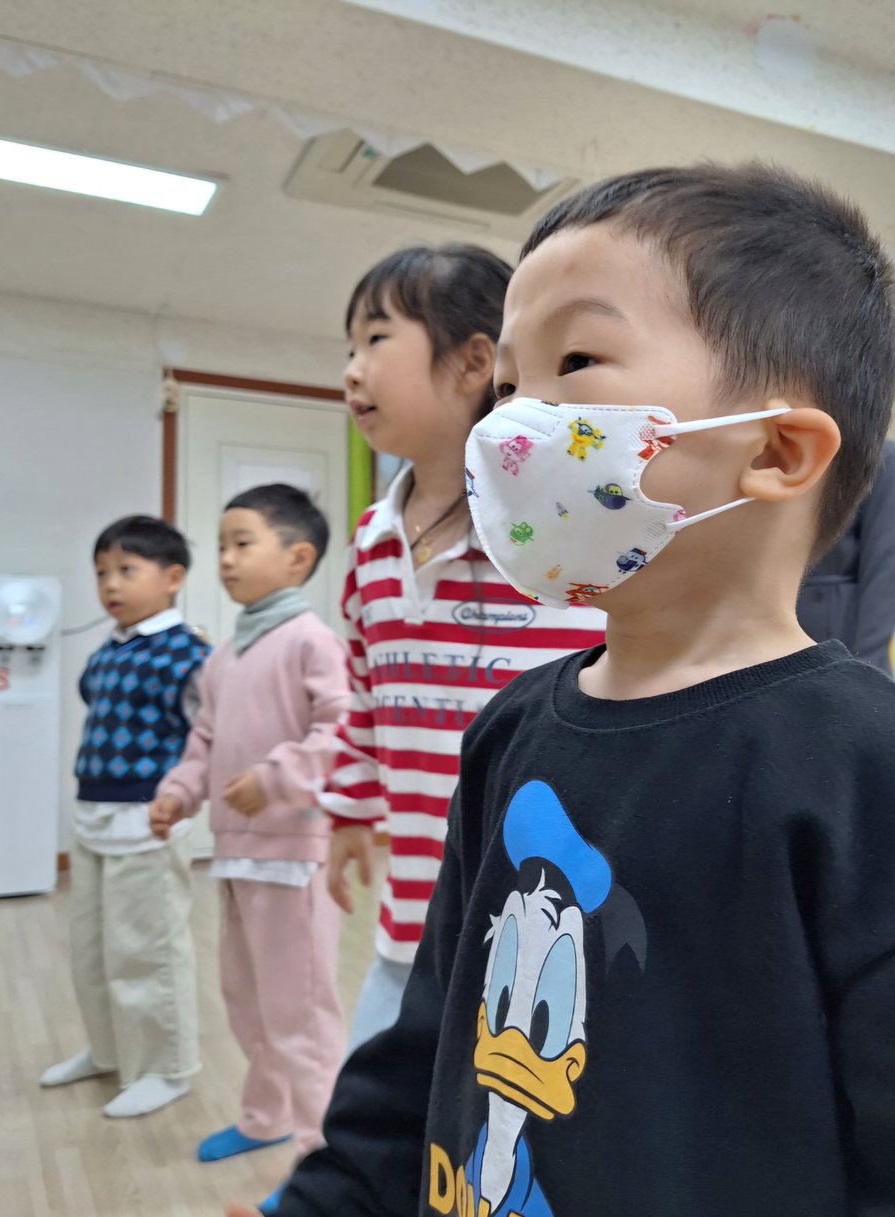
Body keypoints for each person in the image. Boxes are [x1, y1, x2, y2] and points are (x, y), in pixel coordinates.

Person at [229, 165, 895, 1217]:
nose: (509, 427)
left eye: (575, 361)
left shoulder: (879, 772)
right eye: (508, 386)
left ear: (774, 450)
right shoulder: (511, 731)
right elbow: (422, 1051)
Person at [324, 244, 606, 1057]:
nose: (351, 369)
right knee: (372, 1109)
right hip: (409, 923)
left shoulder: (552, 537)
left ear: (475, 363)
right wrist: (348, 808)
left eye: (376, 339)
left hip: (538, 927)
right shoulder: (372, 540)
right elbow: (362, 695)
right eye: (349, 346)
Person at [150, 486, 351, 1179]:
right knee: (248, 1003)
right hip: (235, 855)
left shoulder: (312, 640)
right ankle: (267, 1117)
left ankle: (324, 1161)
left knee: (302, 1017)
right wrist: (180, 791)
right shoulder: (226, 654)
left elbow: (342, 729)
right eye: (222, 546)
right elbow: (204, 740)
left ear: (298, 558)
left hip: (294, 857)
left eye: (243, 543)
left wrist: (277, 776)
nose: (227, 559)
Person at [40, 515, 210, 1118]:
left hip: (149, 818)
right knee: (91, 949)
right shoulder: (108, 650)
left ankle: (166, 1067)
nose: (110, 584)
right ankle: (108, 1050)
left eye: (126, 570)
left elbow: (208, 731)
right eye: (101, 573)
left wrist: (186, 794)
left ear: (172, 578)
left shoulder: (188, 652)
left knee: (147, 950)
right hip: (94, 810)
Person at [797, 436, 895, 673]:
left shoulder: (878, 455)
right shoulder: (769, 451)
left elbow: (886, 566)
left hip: (841, 632)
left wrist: (869, 664)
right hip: (764, 631)